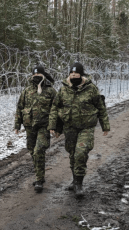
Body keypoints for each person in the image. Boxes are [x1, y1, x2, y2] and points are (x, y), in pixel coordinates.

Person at [48, 62, 110, 198]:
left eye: (76, 74)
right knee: (72, 154)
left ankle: (79, 184)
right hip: (69, 127)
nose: (73, 76)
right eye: (71, 74)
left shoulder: (91, 89)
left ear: (81, 75)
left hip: (86, 128)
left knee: (80, 153)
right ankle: (75, 179)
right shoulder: (63, 89)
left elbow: (100, 107)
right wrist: (53, 125)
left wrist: (105, 125)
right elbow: (55, 108)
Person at [14, 65, 57, 192]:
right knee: (32, 151)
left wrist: (54, 126)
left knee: (39, 150)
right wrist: (17, 125)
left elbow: (56, 110)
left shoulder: (51, 91)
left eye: (39, 75)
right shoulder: (26, 91)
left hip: (44, 127)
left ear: (44, 76)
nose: (36, 77)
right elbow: (19, 108)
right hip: (29, 127)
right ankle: (41, 175)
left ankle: (39, 180)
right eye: (34, 75)